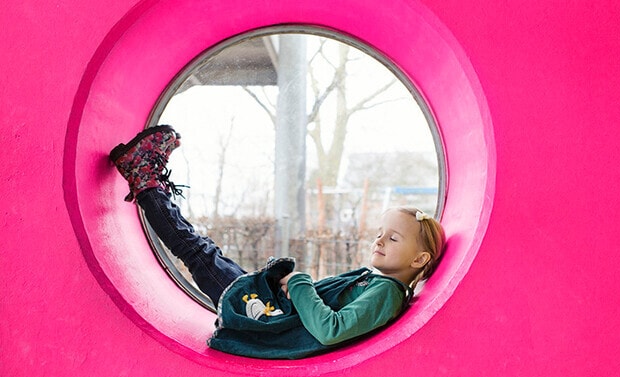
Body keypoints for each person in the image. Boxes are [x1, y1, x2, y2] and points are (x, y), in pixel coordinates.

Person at [109, 125, 446, 359]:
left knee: (198, 252)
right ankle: (148, 182)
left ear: (419, 260)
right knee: (203, 252)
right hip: (271, 310)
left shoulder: (386, 292)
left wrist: (299, 283)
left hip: (267, 319)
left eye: (394, 237)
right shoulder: (380, 285)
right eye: (379, 233)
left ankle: (146, 180)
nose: (380, 240)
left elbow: (331, 329)